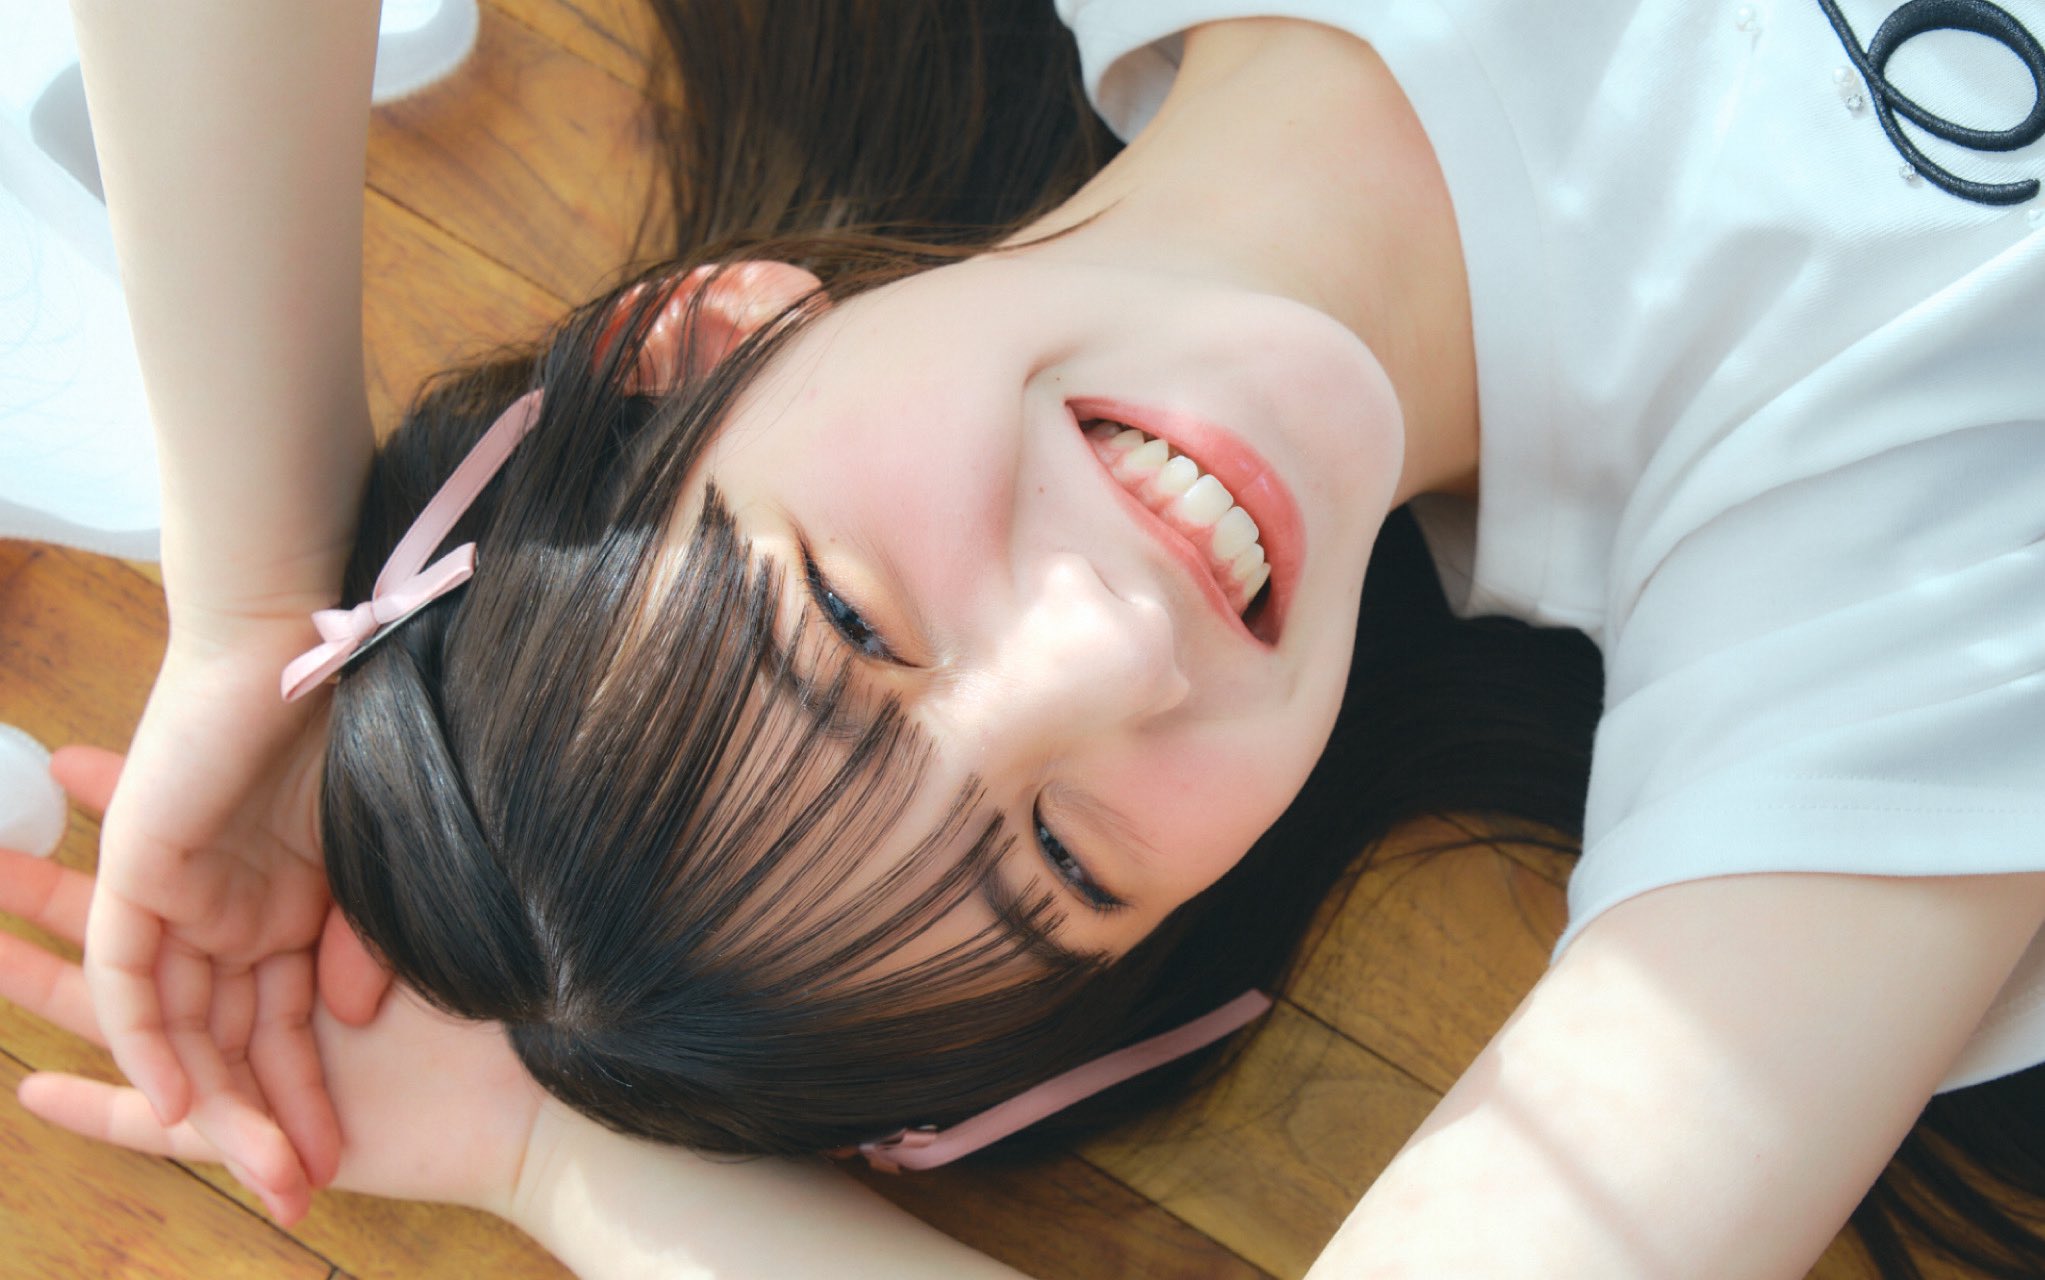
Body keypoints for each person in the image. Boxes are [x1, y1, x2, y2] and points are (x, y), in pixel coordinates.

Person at [20, 0, 2045, 1275]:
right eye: (1066, 857)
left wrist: (255, 590)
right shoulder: (1873, 612)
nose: (1111, 649)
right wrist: (543, 1157)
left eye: (850, 618)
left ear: (706, 335)